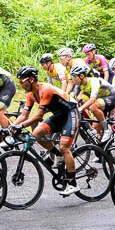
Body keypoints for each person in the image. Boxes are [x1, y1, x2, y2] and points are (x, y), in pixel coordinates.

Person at [11, 65, 79, 195]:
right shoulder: (31, 95)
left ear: (31, 79)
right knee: (36, 133)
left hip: (71, 112)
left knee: (64, 147)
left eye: (22, 81)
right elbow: (24, 115)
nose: (20, 84)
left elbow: (38, 116)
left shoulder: (46, 89)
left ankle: (72, 183)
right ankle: (57, 155)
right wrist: (12, 126)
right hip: (59, 114)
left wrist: (21, 126)